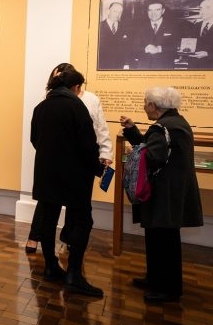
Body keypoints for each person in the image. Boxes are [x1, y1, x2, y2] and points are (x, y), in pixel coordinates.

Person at [119, 87, 203, 302]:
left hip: (163, 193)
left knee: (164, 241)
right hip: (172, 191)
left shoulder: (161, 127)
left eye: (145, 102)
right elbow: (154, 147)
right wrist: (132, 130)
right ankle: (155, 279)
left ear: (153, 106)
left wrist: (136, 153)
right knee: (159, 237)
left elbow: (152, 156)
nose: (144, 106)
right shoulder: (178, 122)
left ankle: (168, 288)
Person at [25, 63, 113, 253]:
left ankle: (63, 249)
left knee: (74, 212)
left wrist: (105, 153)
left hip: (74, 165)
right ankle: (69, 269)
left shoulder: (90, 100)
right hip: (65, 165)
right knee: (53, 210)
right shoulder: (49, 102)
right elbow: (38, 136)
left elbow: (100, 130)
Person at [31, 69, 103, 297]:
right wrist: (96, 168)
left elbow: (35, 139)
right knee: (83, 220)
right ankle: (74, 274)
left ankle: (51, 266)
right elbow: (88, 144)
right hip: (75, 175)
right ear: (75, 87)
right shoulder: (76, 106)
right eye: (79, 87)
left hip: (46, 173)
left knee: (48, 219)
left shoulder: (41, 107)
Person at [133, 1, 180, 70]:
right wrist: (145, 49)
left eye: (157, 10)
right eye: (150, 10)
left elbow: (177, 45)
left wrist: (159, 49)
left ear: (163, 11)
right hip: (144, 66)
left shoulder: (173, 26)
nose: (153, 13)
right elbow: (134, 46)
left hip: (164, 66)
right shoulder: (139, 26)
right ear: (147, 12)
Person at [97, 2, 132, 70]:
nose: (117, 14)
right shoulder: (99, 26)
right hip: (102, 66)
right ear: (108, 11)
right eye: (115, 11)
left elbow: (127, 48)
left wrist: (126, 64)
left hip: (120, 66)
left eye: (120, 12)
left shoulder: (125, 27)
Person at [184, 0, 213, 69]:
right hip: (193, 66)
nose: (202, 11)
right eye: (201, 8)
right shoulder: (196, 25)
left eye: (207, 8)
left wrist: (208, 54)